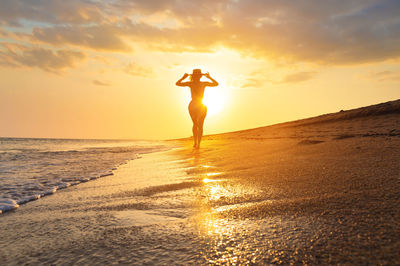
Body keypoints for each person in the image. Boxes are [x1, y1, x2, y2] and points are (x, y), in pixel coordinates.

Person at [176, 69, 218, 148]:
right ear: (193, 76)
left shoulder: (203, 83)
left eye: (198, 76)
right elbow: (177, 83)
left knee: (200, 125)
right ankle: (196, 142)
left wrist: (209, 77)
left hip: (201, 104)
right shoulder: (191, 83)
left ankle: (198, 143)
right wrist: (183, 77)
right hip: (194, 104)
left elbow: (216, 84)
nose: (197, 77)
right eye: (195, 76)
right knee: (196, 124)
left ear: (200, 76)